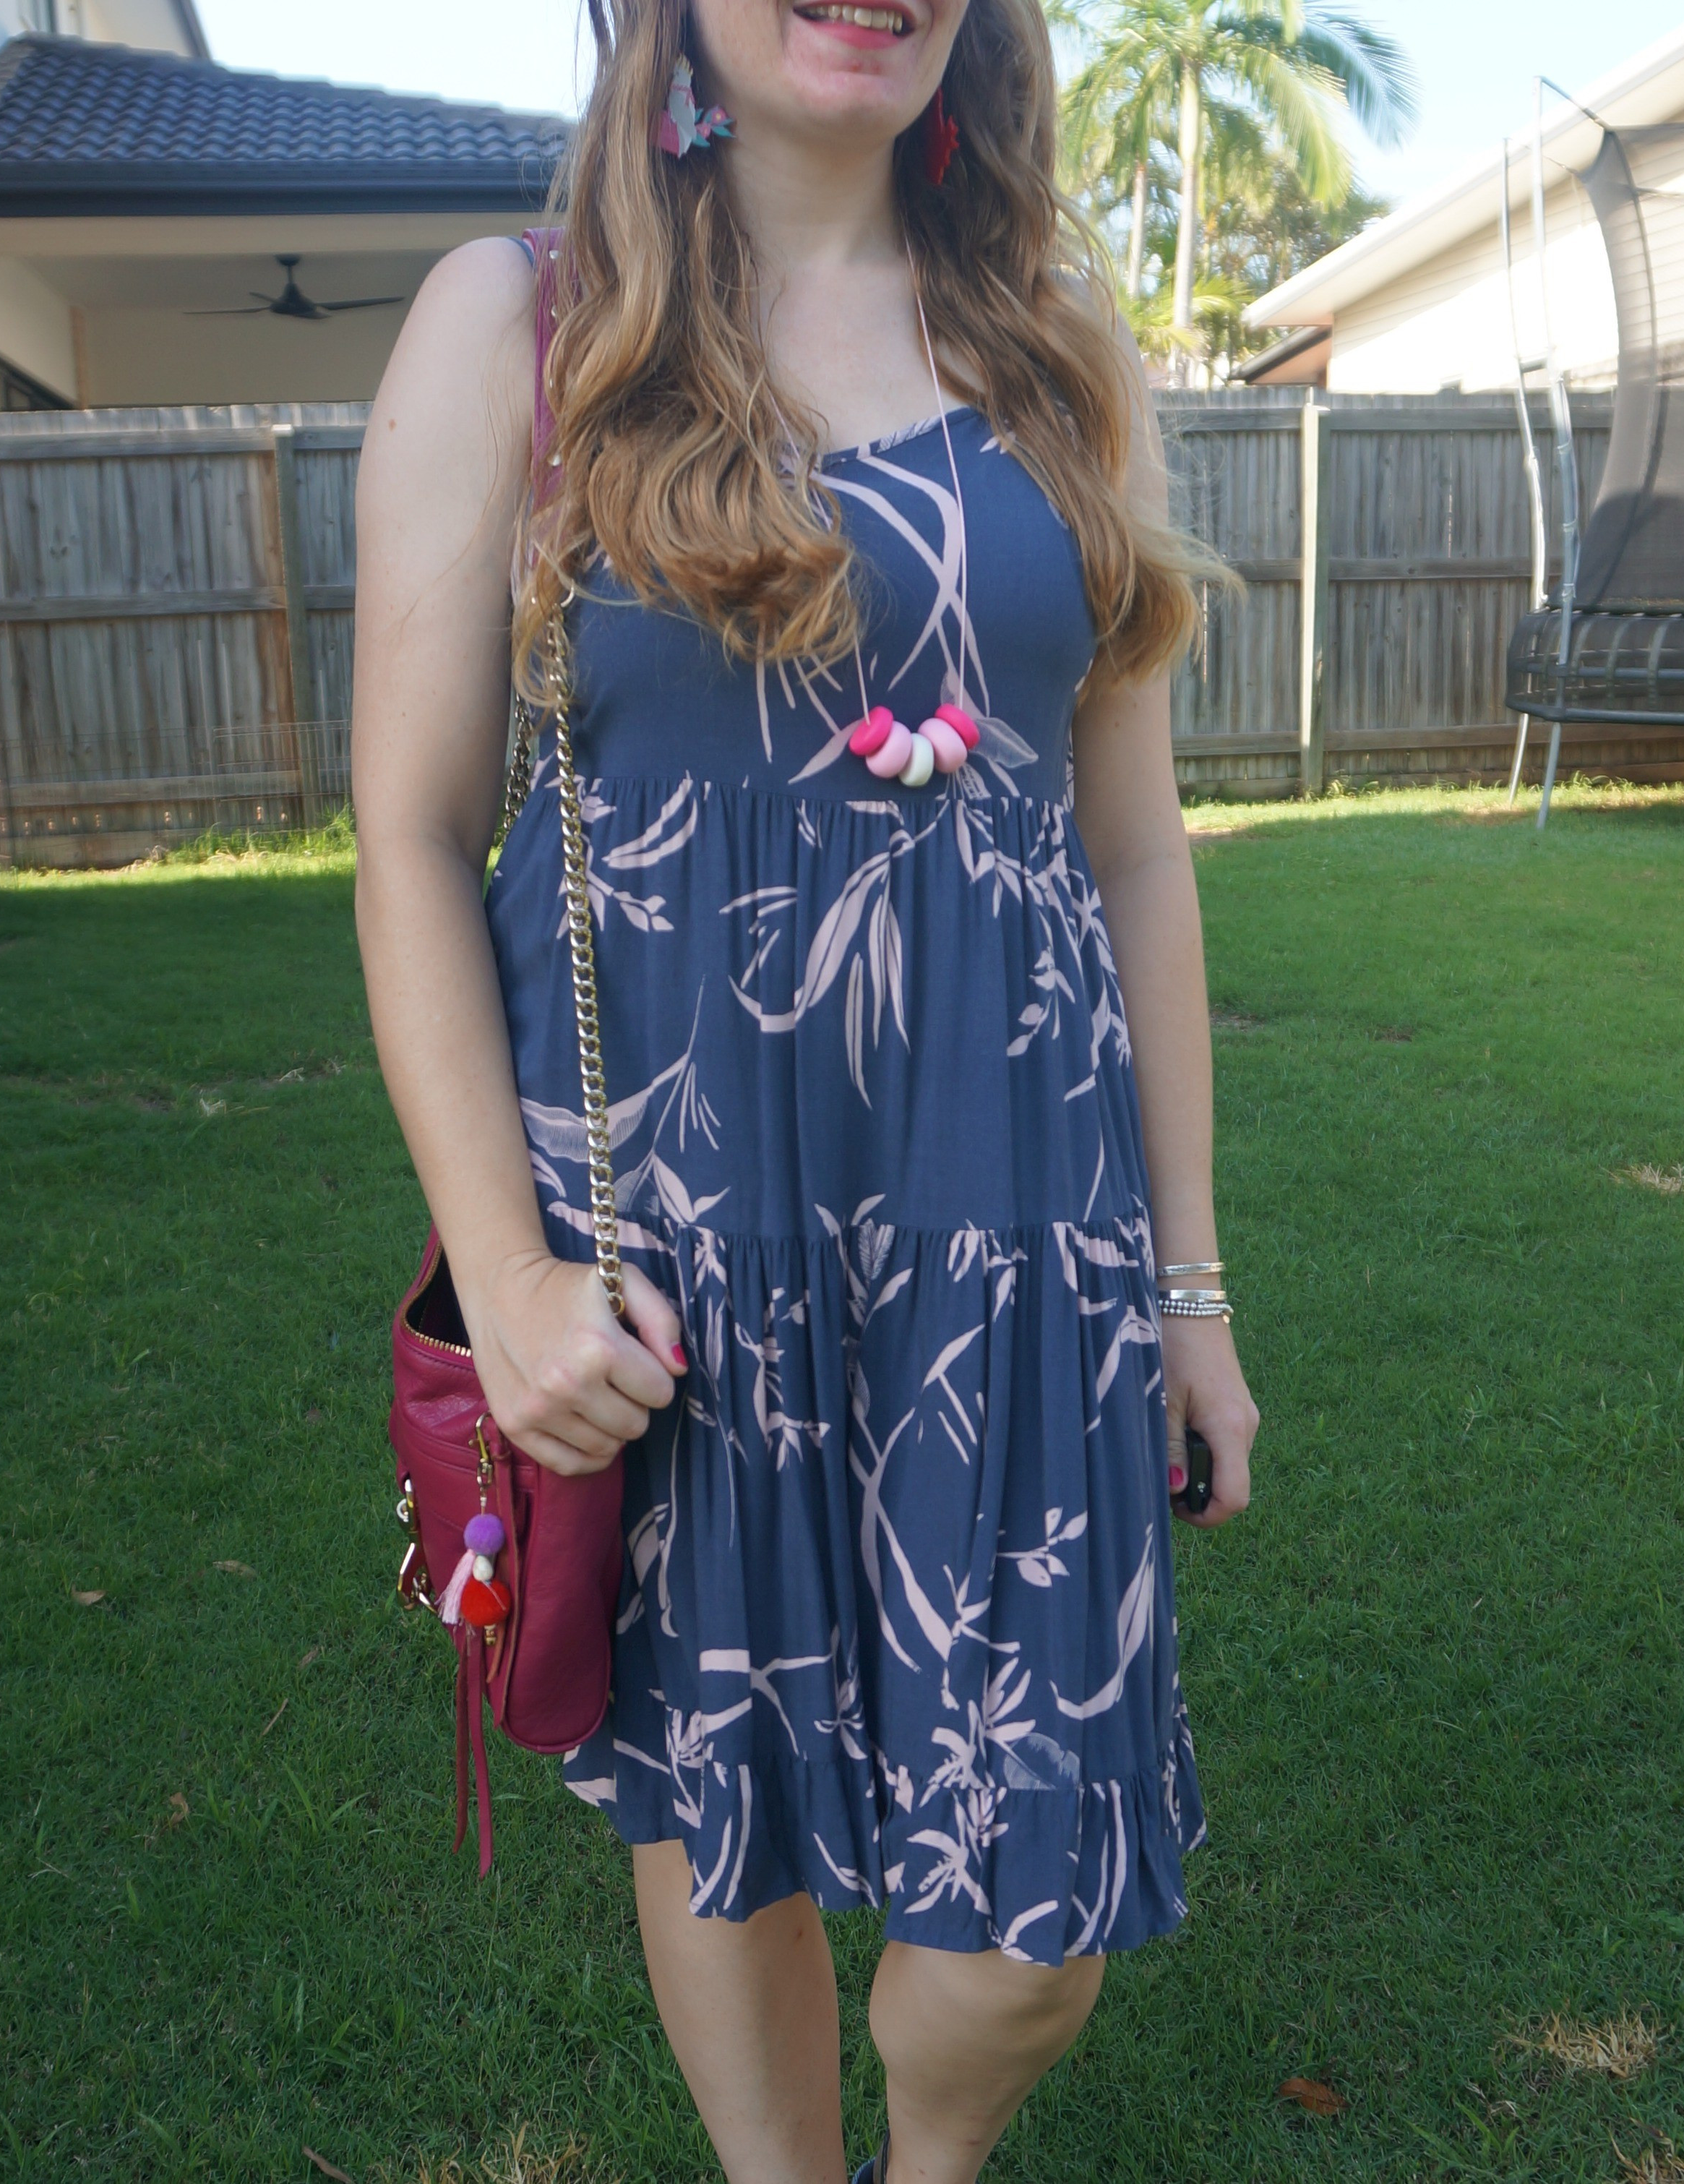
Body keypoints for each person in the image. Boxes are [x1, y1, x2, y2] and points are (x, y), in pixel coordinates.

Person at [351, 0, 1260, 2176]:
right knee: (722, 1806)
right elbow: (408, 829)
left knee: (1029, 1925)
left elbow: (1130, 850)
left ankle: (922, 2162)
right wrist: (511, 1279)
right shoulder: (524, 323)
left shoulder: (1056, 342)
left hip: (1023, 1243)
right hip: (684, 1256)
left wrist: (1195, 1291)